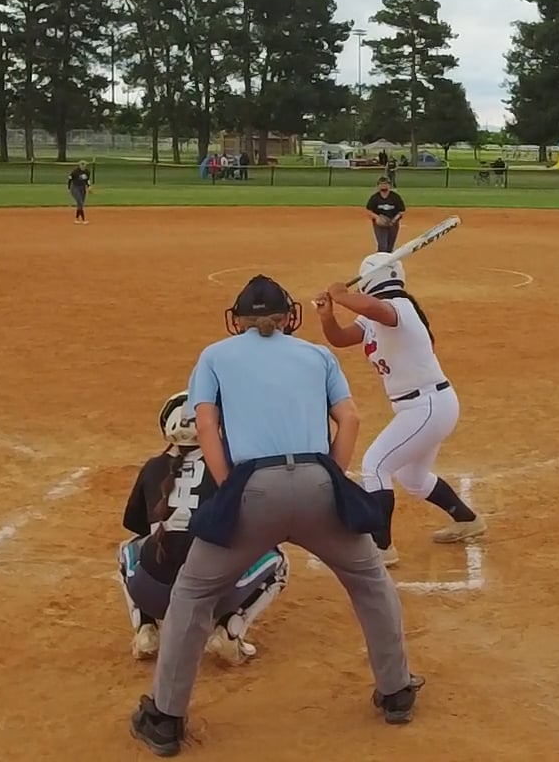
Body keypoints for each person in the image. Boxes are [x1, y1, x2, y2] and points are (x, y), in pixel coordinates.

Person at [130, 275, 421, 756]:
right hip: (318, 482)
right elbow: (350, 418)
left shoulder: (215, 355)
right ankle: (397, 691)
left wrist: (230, 487)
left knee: (194, 592)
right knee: (370, 580)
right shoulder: (317, 355)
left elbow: (206, 424)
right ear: (289, 318)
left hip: (252, 489)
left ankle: (165, 718)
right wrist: (329, 475)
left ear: (238, 320)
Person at [315, 254, 484, 567]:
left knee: (375, 464)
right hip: (422, 407)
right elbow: (340, 338)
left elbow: (376, 308)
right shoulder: (374, 316)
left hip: (427, 405)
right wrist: (328, 316)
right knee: (413, 477)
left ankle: (382, 547)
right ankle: (467, 520)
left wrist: (341, 295)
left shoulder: (399, 306)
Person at [118, 392, 288, 666]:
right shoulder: (226, 467)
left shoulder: (152, 468)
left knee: (128, 549)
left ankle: (145, 628)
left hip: (152, 594)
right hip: (209, 594)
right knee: (277, 559)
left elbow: (137, 526)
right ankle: (229, 631)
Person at [366, 176, 406, 253]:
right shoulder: (374, 198)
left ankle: (387, 259)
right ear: (378, 186)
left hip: (393, 223)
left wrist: (393, 220)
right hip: (379, 224)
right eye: (381, 184)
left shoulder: (395, 197)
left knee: (389, 247)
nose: (383, 186)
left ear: (389, 185)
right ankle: (380, 259)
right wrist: (378, 218)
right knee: (382, 246)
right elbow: (369, 211)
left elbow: (401, 211)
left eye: (385, 184)